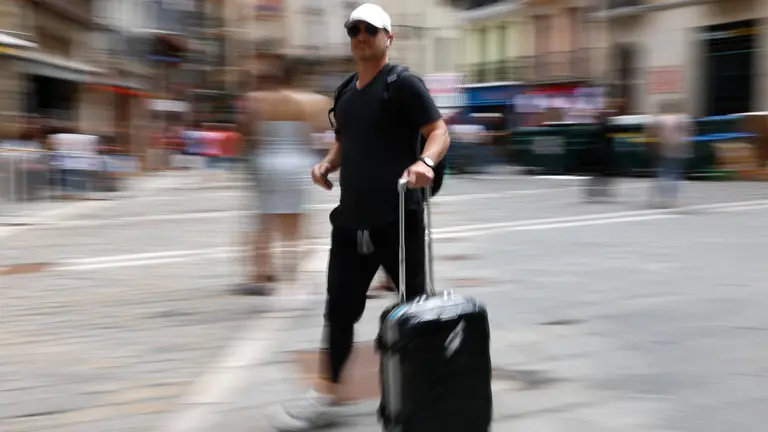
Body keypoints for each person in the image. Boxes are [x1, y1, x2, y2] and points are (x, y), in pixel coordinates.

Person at [268, 3, 451, 430]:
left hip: (398, 220)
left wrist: (425, 162)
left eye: (370, 29)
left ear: (389, 37)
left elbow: (439, 131)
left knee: (414, 308)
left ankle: (425, 391)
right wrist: (327, 164)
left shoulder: (402, 84)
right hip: (351, 220)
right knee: (339, 310)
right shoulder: (346, 90)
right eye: (354, 29)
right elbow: (345, 139)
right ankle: (326, 395)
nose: (361, 36)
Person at [234, 57, 326, 295]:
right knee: (294, 221)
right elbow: (322, 129)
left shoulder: (256, 99)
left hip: (268, 162)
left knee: (264, 221)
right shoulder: (312, 100)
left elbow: (245, 130)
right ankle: (291, 268)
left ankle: (261, 275)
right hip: (298, 163)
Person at [649, 99, 694, 207]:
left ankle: (664, 197)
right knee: (676, 174)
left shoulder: (660, 118)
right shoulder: (683, 118)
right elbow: (688, 133)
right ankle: (672, 198)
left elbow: (652, 132)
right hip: (678, 147)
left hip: (664, 147)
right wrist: (689, 146)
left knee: (664, 173)